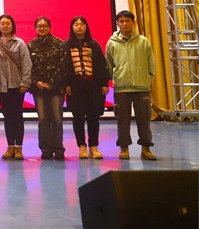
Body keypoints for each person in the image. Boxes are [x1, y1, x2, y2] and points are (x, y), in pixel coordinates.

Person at [106, 10, 157, 160]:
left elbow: (151, 63)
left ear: (133, 23)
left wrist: (146, 79)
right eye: (121, 21)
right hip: (121, 88)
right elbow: (109, 65)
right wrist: (114, 79)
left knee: (144, 120)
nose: (124, 24)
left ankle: (146, 148)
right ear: (117, 24)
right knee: (122, 120)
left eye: (127, 21)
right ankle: (124, 148)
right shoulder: (112, 43)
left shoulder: (143, 41)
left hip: (141, 88)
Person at [64, 16, 110, 159]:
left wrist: (104, 83)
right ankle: (82, 146)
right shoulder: (66, 45)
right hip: (75, 87)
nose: (79, 27)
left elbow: (102, 64)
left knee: (93, 117)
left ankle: (94, 146)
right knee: (78, 117)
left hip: (93, 86)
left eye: (82, 24)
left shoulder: (94, 44)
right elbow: (64, 66)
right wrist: (66, 84)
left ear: (86, 27)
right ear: (72, 27)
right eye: (76, 24)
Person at [0, 14, 32, 160]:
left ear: (13, 26)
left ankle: (18, 147)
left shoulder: (20, 43)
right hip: (2, 86)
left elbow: (26, 64)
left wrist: (25, 82)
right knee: (7, 116)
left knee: (17, 115)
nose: (5, 26)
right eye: (3, 24)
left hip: (17, 85)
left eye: (8, 23)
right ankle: (10, 146)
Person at [27, 17, 68, 160]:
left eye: (44, 26)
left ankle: (58, 149)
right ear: (35, 28)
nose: (42, 28)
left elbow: (63, 65)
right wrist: (36, 82)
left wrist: (52, 82)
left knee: (57, 119)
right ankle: (45, 150)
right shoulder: (30, 45)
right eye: (39, 26)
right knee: (43, 119)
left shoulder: (59, 43)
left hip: (56, 88)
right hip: (39, 89)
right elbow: (28, 67)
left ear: (50, 27)